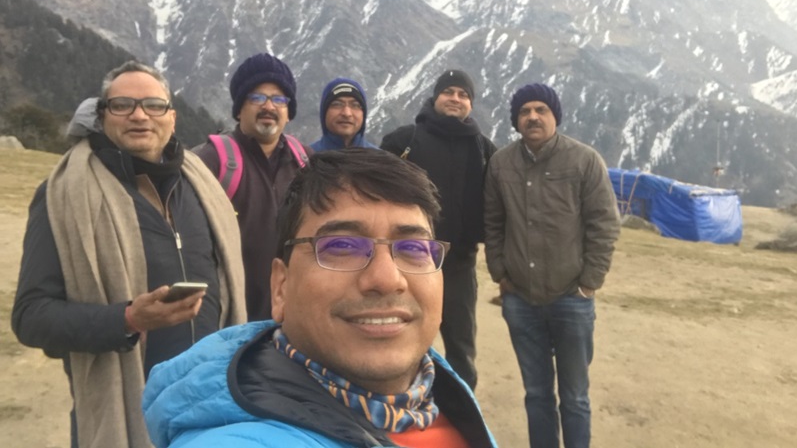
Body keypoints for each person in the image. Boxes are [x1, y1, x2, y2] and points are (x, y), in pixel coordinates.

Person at [143, 149, 498, 447]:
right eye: (342, 246)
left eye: (413, 248)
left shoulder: (442, 393)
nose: (387, 279)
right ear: (281, 287)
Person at [11, 61, 247, 448]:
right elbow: (31, 316)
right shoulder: (64, 195)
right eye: (122, 105)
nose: (140, 115)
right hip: (124, 412)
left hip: (209, 402)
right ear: (102, 116)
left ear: (172, 117)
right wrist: (128, 318)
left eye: (154, 105)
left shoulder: (202, 188)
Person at [483, 83, 620, 448]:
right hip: (521, 300)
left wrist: (589, 283)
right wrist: (500, 273)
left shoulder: (584, 160)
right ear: (516, 120)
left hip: (571, 298)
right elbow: (493, 223)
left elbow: (604, 223)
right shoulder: (501, 164)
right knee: (536, 393)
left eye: (541, 109)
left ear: (555, 115)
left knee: (575, 397)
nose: (532, 117)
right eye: (524, 111)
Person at [381, 69, 496, 390]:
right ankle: (402, 411)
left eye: (463, 94)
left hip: (460, 264)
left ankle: (462, 417)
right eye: (449, 92)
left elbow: (499, 207)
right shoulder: (403, 141)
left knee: (462, 352)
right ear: (436, 97)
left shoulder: (485, 149)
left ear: (471, 104)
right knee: (406, 344)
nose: (456, 99)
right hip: (409, 263)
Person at [194, 52, 311, 321]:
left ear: (289, 112)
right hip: (229, 317)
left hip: (293, 316)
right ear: (239, 108)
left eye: (279, 99)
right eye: (257, 97)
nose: (269, 106)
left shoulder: (304, 161)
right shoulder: (211, 160)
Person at [310, 77, 379, 151]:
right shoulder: (305, 159)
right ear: (324, 112)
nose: (347, 113)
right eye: (337, 104)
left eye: (355, 105)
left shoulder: (380, 160)